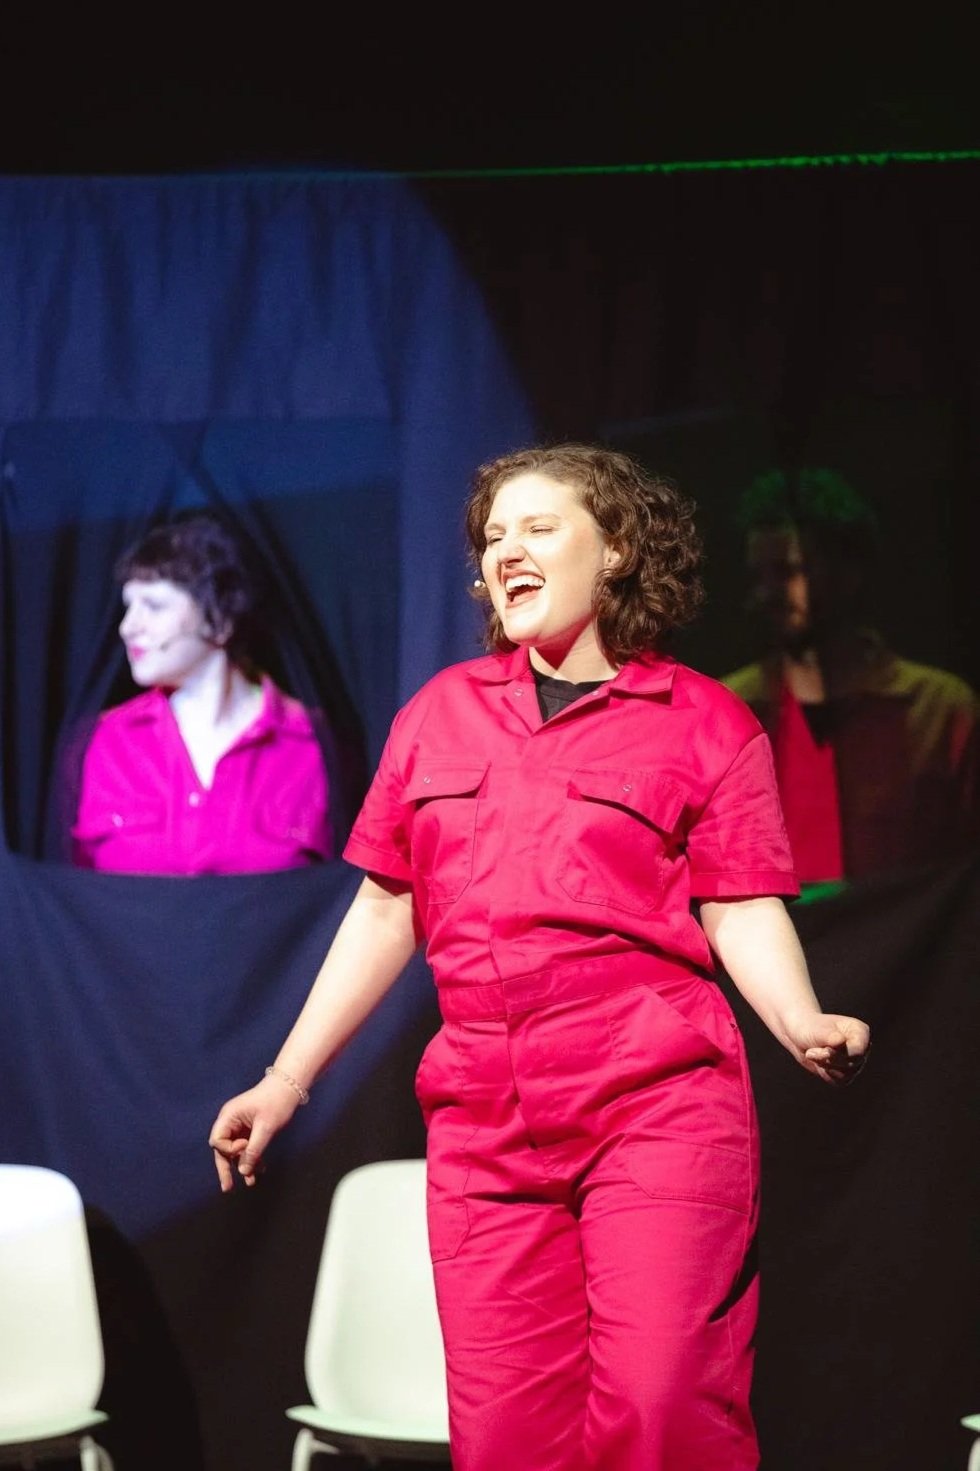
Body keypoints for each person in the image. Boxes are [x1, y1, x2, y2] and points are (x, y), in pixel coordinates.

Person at [209, 445, 870, 1471]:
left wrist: (796, 1018)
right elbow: (387, 910)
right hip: (485, 1126)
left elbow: (738, 906)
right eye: (489, 538)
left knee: (660, 1409)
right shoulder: (439, 716)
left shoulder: (701, 721)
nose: (502, 551)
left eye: (535, 527)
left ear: (612, 553)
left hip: (655, 1104)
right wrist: (285, 1078)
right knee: (510, 1436)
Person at [722, 468, 978, 884]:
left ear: (849, 572)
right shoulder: (731, 710)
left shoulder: (940, 709)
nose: (766, 594)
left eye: (787, 572)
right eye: (758, 575)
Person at [72, 514, 332, 874]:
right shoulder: (105, 740)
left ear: (219, 620)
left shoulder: (312, 743)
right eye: (128, 606)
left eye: (154, 605)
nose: (128, 626)